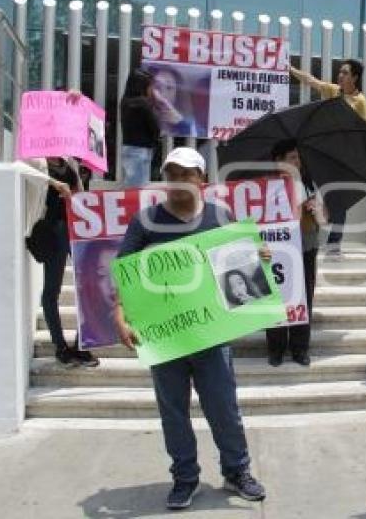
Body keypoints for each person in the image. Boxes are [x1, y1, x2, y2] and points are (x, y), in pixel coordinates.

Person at [113, 147, 267, 510]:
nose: (178, 182)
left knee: (224, 409)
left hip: (212, 337)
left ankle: (237, 470)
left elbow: (240, 268)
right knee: (173, 413)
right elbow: (125, 272)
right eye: (171, 175)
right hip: (165, 338)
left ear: (202, 181)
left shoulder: (220, 216)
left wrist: (255, 259)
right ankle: (185, 477)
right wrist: (119, 311)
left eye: (185, 174)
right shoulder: (145, 221)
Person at [290, 59, 366, 256]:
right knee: (315, 193)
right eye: (340, 72)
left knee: (337, 200)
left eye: (345, 73)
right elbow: (312, 81)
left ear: (355, 77)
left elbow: (363, 131)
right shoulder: (334, 91)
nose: (340, 75)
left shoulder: (360, 101)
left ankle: (334, 244)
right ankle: (313, 236)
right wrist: (290, 69)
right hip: (324, 153)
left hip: (343, 158)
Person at [265, 144, 327, 367]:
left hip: (305, 249)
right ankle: (276, 348)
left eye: (298, 158)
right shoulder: (266, 187)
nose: (297, 163)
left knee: (303, 297)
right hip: (276, 253)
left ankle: (300, 348)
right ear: (278, 160)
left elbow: (323, 220)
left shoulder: (309, 185)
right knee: (276, 298)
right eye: (292, 158)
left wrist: (316, 210)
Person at [34, 157, 99, 368]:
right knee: (52, 290)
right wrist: (53, 183)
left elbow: (79, 194)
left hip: (76, 227)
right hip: (53, 230)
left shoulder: (69, 162)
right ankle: (60, 346)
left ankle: (81, 344)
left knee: (88, 287)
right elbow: (25, 174)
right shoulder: (37, 163)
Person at [120, 68, 161, 187]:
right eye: (149, 86)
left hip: (128, 148)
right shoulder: (143, 103)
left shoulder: (125, 101)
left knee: (131, 185)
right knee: (139, 189)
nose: (151, 90)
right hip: (141, 150)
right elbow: (154, 127)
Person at [149, 66, 198, 137]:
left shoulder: (190, 124)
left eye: (169, 88)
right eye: (157, 87)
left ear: (177, 93)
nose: (163, 94)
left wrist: (181, 125)